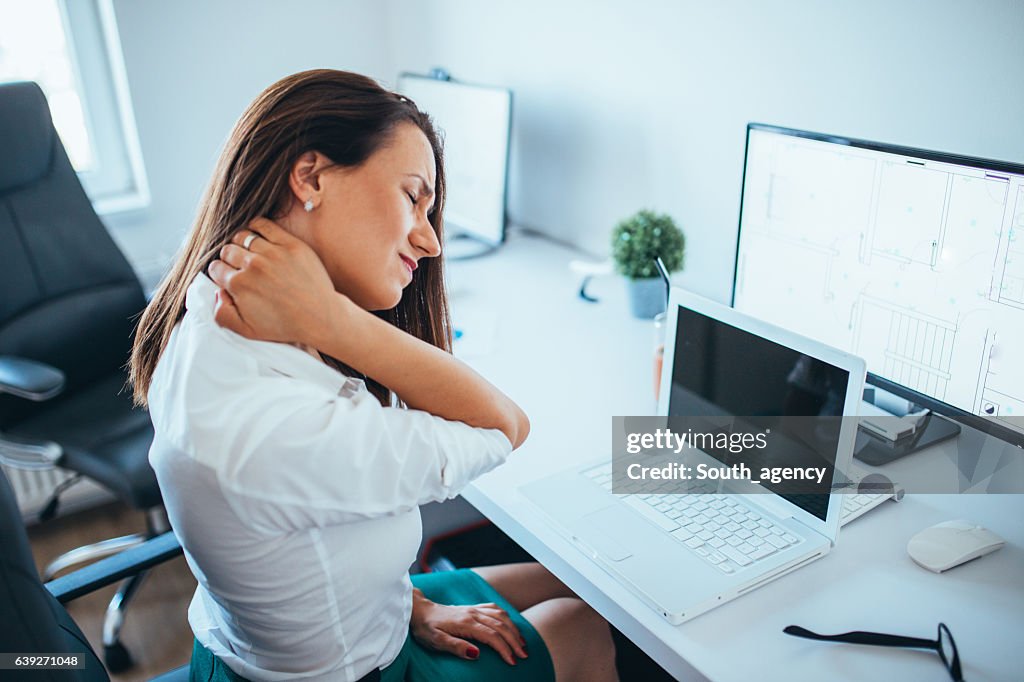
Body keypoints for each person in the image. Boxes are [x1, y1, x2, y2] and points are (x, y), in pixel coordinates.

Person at [129, 69, 618, 682]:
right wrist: (332, 319)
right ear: (310, 177)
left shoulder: (208, 316)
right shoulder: (277, 426)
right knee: (583, 623)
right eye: (412, 196)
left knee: (584, 578)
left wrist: (410, 603)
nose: (431, 241)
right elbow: (505, 426)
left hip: (307, 628)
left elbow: (297, 544)